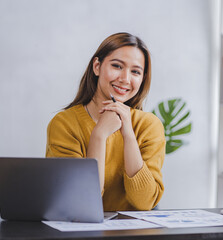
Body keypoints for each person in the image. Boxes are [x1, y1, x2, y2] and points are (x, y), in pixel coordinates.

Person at [46, 32, 165, 211]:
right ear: (97, 66)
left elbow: (145, 202)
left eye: (135, 71)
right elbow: (81, 202)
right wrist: (99, 135)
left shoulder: (149, 125)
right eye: (117, 66)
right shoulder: (64, 124)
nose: (125, 79)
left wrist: (129, 135)